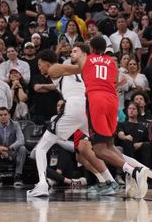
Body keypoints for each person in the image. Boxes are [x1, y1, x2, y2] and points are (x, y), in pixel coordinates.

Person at [44, 36, 152, 199]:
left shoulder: (86, 60)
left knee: (99, 150)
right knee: (109, 144)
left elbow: (59, 71)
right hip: (113, 101)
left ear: (90, 49)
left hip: (96, 100)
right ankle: (119, 178)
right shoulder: (112, 62)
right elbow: (113, 81)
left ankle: (134, 171)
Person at [27, 45, 123, 198]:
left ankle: (42, 185)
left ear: (47, 62)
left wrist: (88, 65)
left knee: (41, 148)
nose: (39, 68)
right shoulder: (64, 73)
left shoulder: (57, 68)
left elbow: (76, 69)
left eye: (40, 64)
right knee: (100, 149)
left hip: (75, 107)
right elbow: (60, 82)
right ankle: (119, 177)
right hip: (89, 108)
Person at [0, 107, 28, 186]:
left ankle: (18, 175)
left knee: (22, 148)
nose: (3, 117)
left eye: (5, 114)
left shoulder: (15, 125)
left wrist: (8, 149)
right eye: (1, 115)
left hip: (11, 151)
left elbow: (21, 140)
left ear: (9, 115)